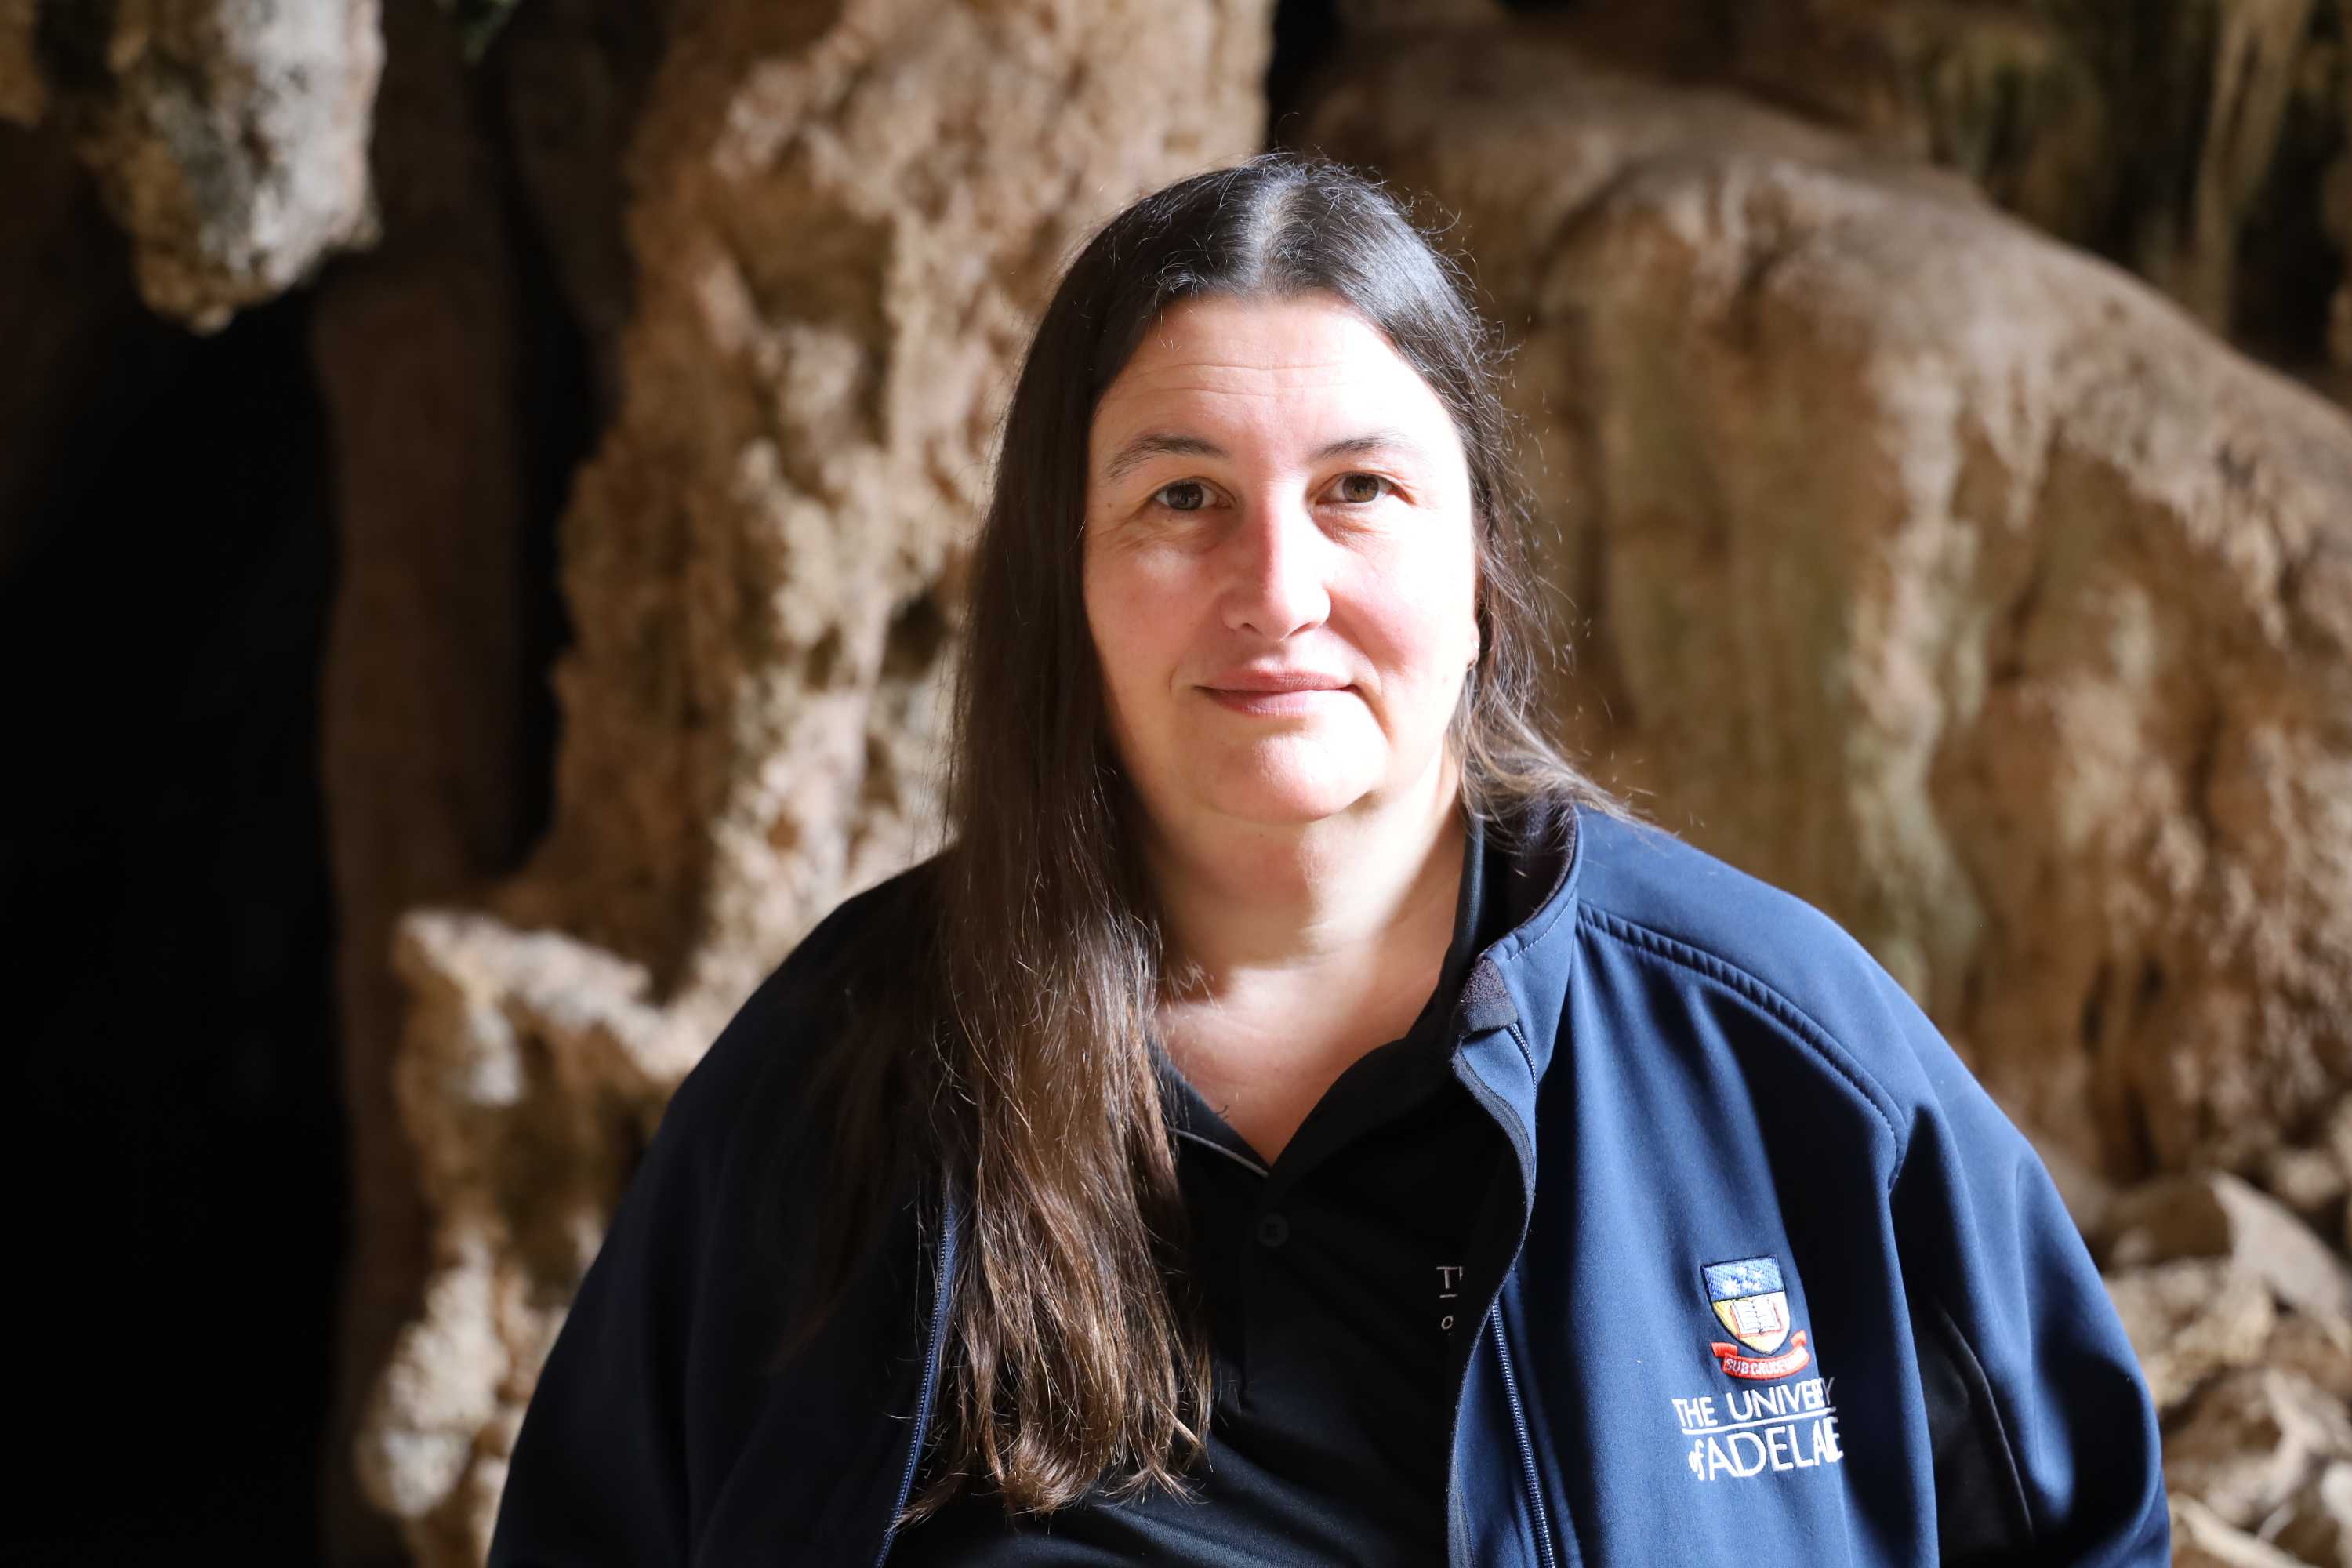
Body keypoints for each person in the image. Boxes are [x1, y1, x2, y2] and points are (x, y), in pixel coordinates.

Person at [485, 152, 2167, 1566]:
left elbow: (2092, 1527)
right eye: (1180, 497)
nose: (1276, 588)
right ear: (1059, 576)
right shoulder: (839, 1078)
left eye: (1358, 488)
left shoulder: (1779, 1050)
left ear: (1481, 561)